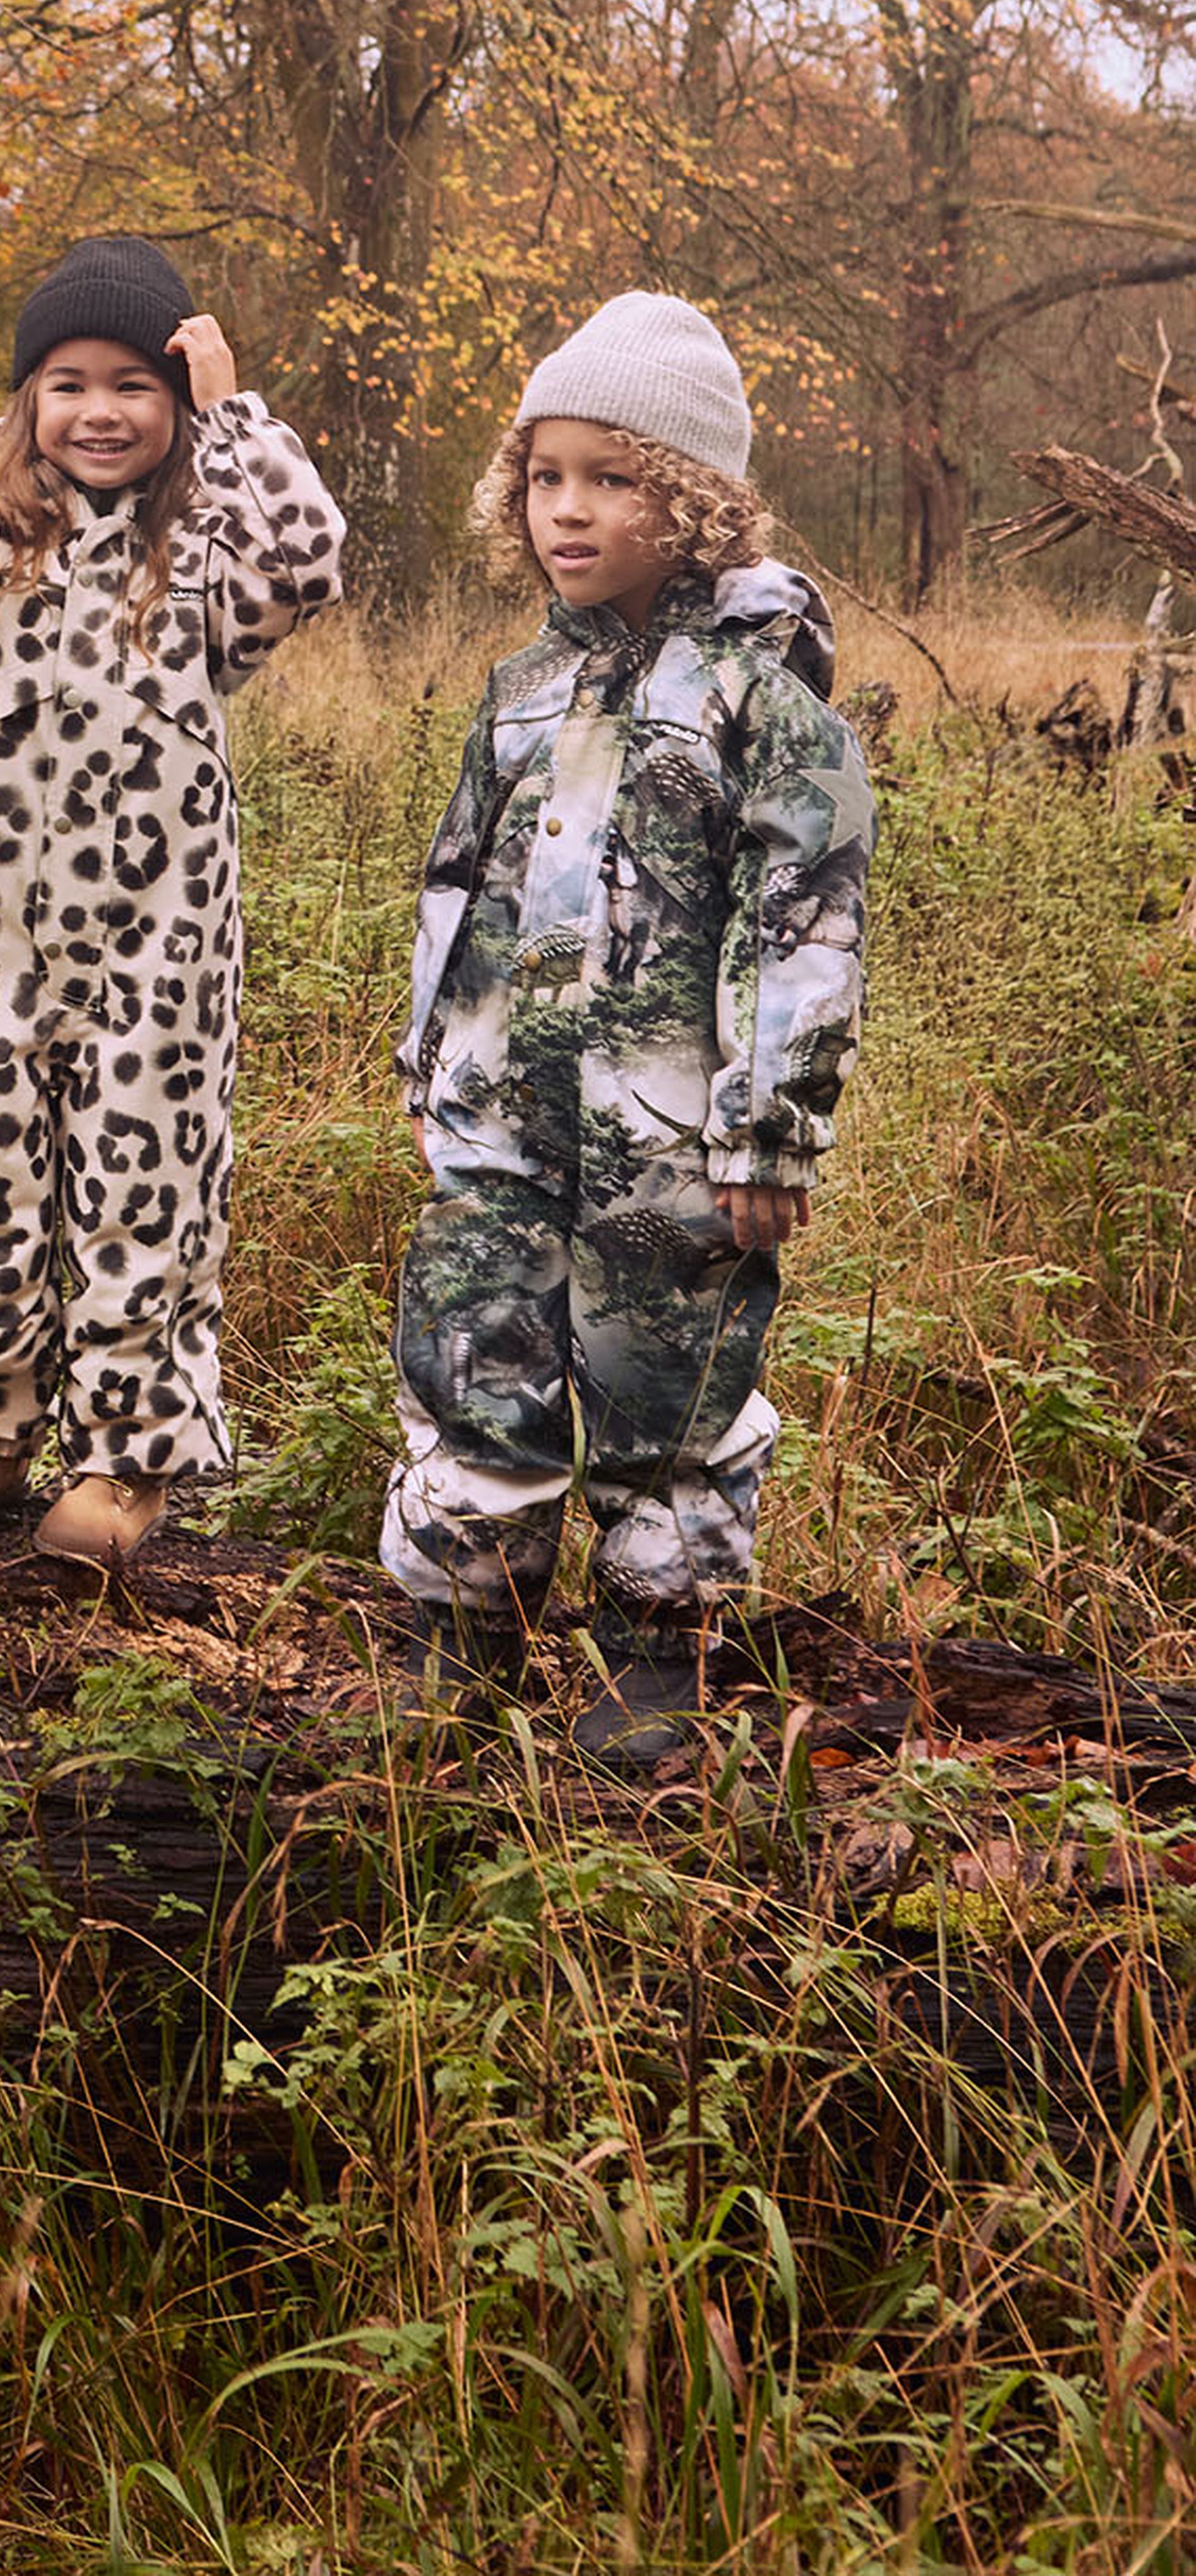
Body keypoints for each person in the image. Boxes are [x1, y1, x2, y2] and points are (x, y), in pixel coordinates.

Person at [384, 288, 875, 1759]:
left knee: (668, 1371)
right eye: (545, 475)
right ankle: (465, 1619)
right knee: (472, 1340)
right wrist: (434, 1059)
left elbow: (805, 922)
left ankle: (662, 1639)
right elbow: (457, 880)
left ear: (697, 500)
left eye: (612, 477)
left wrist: (769, 1127)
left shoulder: (761, 700)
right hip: (502, 1110)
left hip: (672, 1134)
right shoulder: (523, 689)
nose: (569, 508)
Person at [0, 235, 345, 1570]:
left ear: (177, 405)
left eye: (137, 384)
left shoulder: (208, 552)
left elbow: (307, 559)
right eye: (68, 383)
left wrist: (233, 414)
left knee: (146, 1182)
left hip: (156, 935)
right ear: (28, 399)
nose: (101, 410)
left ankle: (129, 1453)